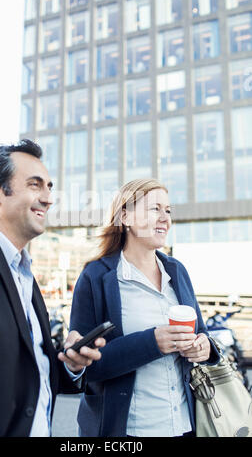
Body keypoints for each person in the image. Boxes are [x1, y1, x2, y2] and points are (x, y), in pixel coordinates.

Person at [0, 139, 105, 437]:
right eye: (35, 185)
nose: (48, 198)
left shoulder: (26, 277)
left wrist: (72, 365)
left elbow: (31, 377)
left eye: (49, 187)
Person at [69, 178, 220, 437]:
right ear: (125, 217)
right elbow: (87, 366)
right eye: (155, 209)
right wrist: (153, 343)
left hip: (185, 427)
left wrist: (205, 347)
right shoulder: (96, 276)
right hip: (128, 432)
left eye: (168, 210)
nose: (165, 218)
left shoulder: (177, 271)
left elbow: (203, 333)